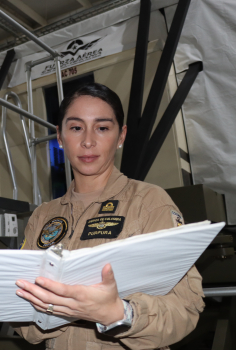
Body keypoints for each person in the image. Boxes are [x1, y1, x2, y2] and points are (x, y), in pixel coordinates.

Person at [12, 83, 204, 349]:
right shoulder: (43, 215)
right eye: (76, 127)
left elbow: (185, 309)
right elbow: (28, 328)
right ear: (59, 136)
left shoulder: (149, 203)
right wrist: (9, 307)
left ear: (121, 135)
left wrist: (119, 313)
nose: (88, 141)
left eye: (102, 128)